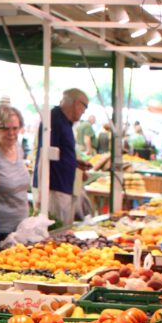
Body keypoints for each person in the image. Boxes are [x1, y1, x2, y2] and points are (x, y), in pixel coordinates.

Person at [41, 88, 90, 224]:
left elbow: (61, 153)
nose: (84, 111)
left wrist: (75, 164)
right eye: (85, 106)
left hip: (66, 185)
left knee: (67, 224)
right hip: (57, 186)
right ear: (76, 103)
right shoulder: (54, 120)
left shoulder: (65, 122)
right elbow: (48, 155)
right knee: (59, 226)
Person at [0, 103, 33, 240]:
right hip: (0, 229)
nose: (11, 133)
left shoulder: (18, 147)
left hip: (22, 225)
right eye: (6, 129)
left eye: (15, 128)